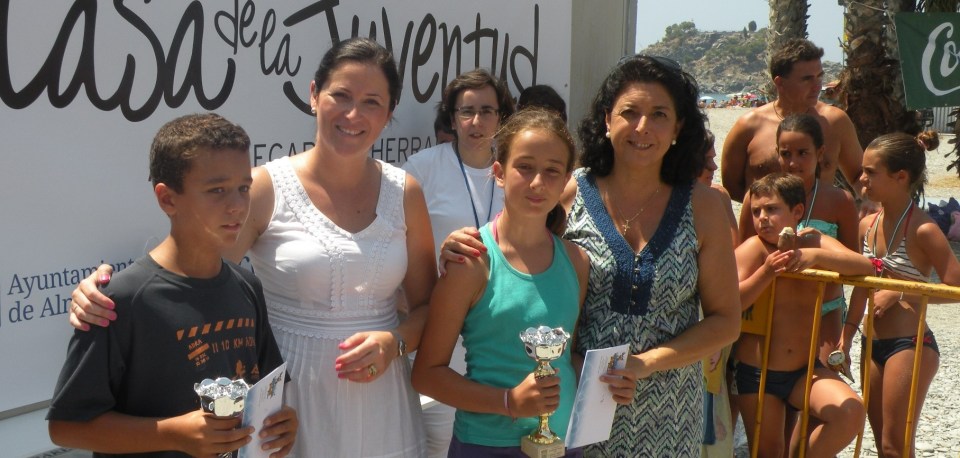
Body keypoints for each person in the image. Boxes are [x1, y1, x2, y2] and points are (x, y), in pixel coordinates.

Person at [67, 38, 437, 457]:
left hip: (382, 397)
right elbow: (195, 268)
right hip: (287, 400)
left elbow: (428, 307)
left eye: (372, 102)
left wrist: (396, 343)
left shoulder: (405, 191)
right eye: (341, 95)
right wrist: (100, 287)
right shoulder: (263, 186)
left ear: (389, 114)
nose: (353, 114)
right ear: (314, 95)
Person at [441, 55, 741, 456]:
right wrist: (459, 244)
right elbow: (516, 256)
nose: (642, 127)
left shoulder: (703, 207)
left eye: (659, 115)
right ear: (606, 119)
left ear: (678, 127)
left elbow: (725, 322)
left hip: (668, 418)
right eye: (629, 112)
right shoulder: (569, 190)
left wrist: (646, 363)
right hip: (572, 414)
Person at [47, 113, 298, 457]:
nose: (237, 205)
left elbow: (271, 390)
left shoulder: (246, 286)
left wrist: (283, 423)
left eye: (243, 188)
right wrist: (171, 434)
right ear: (167, 199)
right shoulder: (120, 301)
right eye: (217, 190)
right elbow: (66, 426)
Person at [412, 108, 612, 457]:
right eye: (525, 167)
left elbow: (568, 359)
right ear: (499, 172)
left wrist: (608, 382)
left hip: (563, 444)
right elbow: (426, 375)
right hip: (486, 445)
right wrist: (508, 402)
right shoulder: (472, 261)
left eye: (552, 171)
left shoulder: (577, 262)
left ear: (567, 179)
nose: (538, 182)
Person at [402, 68, 514, 457]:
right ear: (452, 118)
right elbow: (394, 250)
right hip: (438, 336)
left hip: (499, 334)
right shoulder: (420, 170)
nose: (477, 122)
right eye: (466, 111)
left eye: (487, 110)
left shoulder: (516, 172)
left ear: (502, 117)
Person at [733, 173, 872, 457]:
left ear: (797, 211)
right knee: (767, 451)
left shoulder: (813, 241)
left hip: (803, 370)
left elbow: (864, 266)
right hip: (757, 373)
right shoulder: (754, 248)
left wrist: (816, 257)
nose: (762, 218)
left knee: (850, 412)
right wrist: (766, 273)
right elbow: (731, 301)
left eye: (771, 209)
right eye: (756, 211)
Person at [845, 131, 960, 457]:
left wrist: (901, 292)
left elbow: (956, 289)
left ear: (900, 177)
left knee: (896, 446)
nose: (861, 178)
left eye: (870, 172)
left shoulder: (923, 229)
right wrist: (846, 333)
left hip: (910, 344)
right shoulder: (866, 224)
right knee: (883, 445)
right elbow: (861, 284)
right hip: (871, 342)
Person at [738, 114, 859, 368]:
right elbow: (744, 251)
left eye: (803, 153)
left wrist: (847, 333)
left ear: (820, 152)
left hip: (826, 308)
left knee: (821, 382)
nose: (793, 162)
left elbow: (857, 265)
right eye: (785, 153)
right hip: (772, 308)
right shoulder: (758, 198)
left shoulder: (840, 200)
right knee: (768, 383)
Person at [721, 38, 867, 212]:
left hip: (820, 230)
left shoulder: (835, 122)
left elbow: (860, 176)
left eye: (819, 76)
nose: (817, 86)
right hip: (764, 231)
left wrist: (869, 201)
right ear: (780, 83)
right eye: (807, 79)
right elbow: (730, 187)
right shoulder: (749, 126)